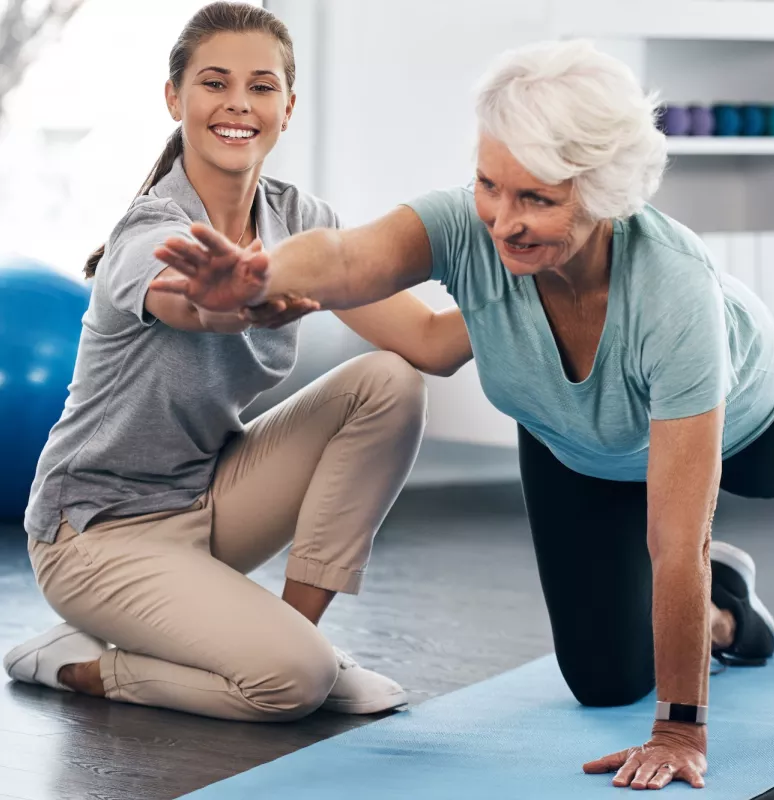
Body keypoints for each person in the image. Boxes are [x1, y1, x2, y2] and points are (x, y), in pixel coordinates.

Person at [153, 39, 774, 790]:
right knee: (604, 680)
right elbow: (347, 258)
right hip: (578, 447)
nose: (503, 219)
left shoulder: (671, 291)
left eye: (537, 198)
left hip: (758, 427)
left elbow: (676, 539)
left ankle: (709, 596)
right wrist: (259, 277)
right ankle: (727, 610)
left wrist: (680, 727)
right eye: (491, 184)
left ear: (605, 192)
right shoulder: (468, 226)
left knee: (750, 498)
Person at [3, 2, 474, 722]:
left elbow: (432, 345)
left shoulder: (302, 220)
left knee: (389, 382)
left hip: (207, 500)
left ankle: (296, 636)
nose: (237, 105)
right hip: (94, 535)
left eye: (260, 87)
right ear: (175, 98)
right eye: (214, 83)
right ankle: (83, 665)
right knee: (288, 686)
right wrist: (231, 302)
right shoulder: (151, 231)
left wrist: (538, 277)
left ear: (288, 106)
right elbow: (191, 304)